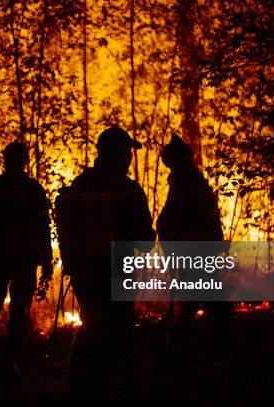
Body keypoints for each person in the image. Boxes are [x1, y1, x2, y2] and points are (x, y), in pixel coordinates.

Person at [56, 127, 156, 404]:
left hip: (85, 271)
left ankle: (79, 387)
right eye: (127, 151)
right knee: (119, 329)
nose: (129, 158)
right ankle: (114, 389)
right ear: (121, 154)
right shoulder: (128, 189)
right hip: (119, 268)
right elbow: (145, 241)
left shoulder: (80, 184)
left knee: (91, 324)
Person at [0, 142, 53, 347]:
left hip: (14, 258)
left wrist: (46, 258)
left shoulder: (7, 187)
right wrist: (46, 259)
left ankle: (1, 351)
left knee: (14, 308)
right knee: (2, 307)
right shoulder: (25, 188)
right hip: (9, 257)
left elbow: (44, 226)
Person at [156, 134, 230, 348]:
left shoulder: (188, 183)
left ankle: (198, 349)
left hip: (195, 254)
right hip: (195, 253)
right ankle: (211, 347)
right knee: (204, 301)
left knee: (202, 302)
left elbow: (179, 220)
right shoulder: (188, 181)